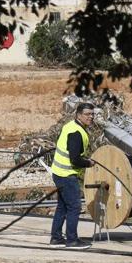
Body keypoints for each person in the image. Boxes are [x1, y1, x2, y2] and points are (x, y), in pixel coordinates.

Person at [49, 101, 96, 249]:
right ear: (79, 115)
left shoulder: (70, 126)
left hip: (59, 172)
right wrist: (89, 163)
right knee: (74, 207)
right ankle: (72, 240)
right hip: (66, 174)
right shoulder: (76, 133)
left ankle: (56, 238)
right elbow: (75, 160)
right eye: (87, 114)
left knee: (62, 207)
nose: (91, 117)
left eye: (92, 114)